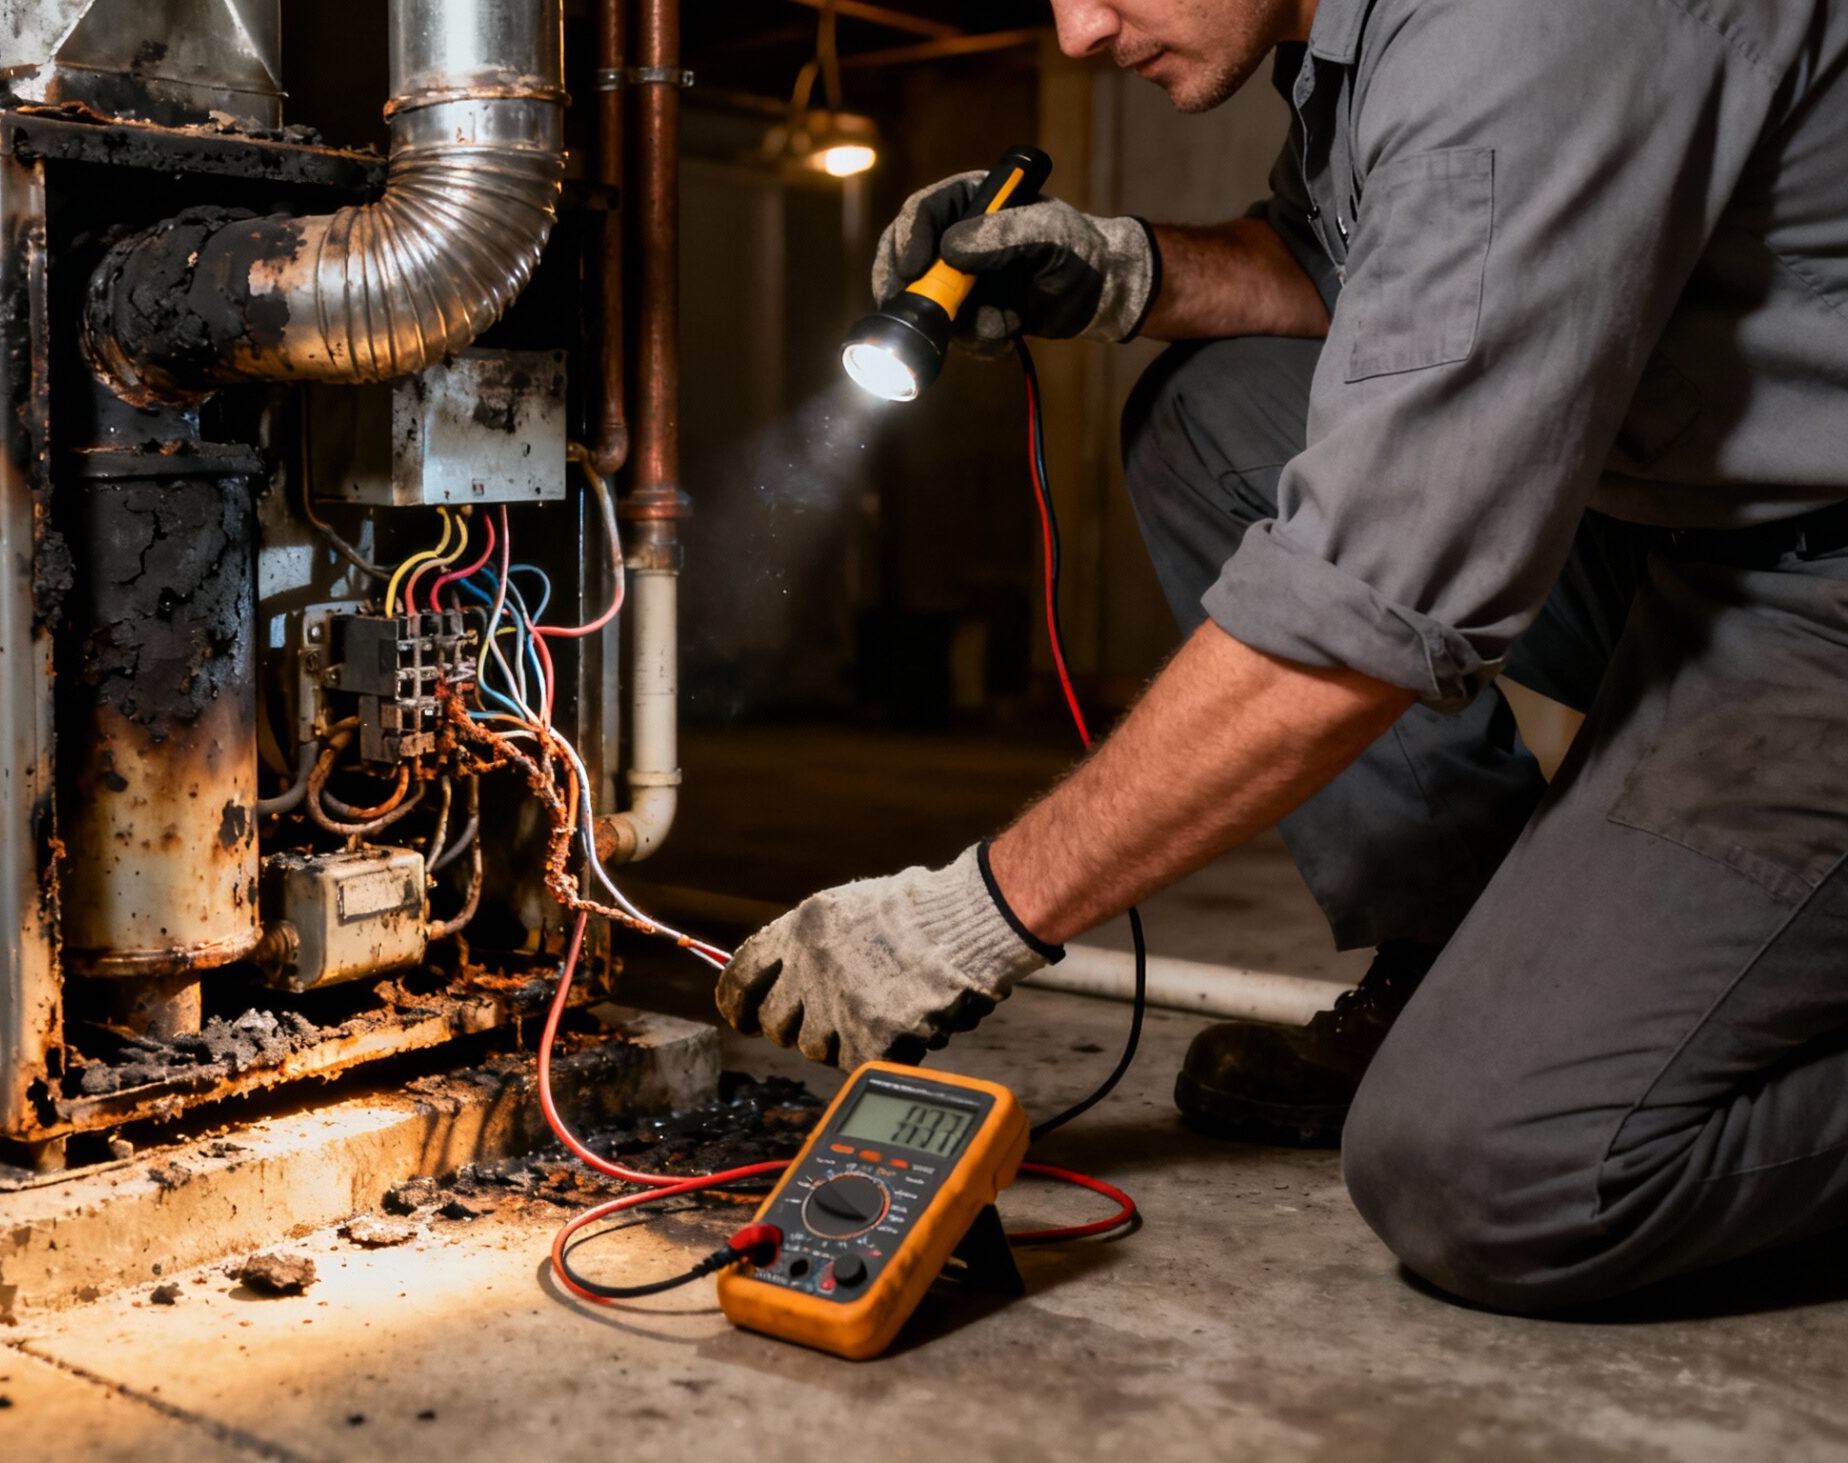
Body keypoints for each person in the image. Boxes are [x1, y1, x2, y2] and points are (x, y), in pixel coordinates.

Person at [717, 0, 1848, 1313]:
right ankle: (1450, 956)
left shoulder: (1524, 31)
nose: (1079, 31)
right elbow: (1362, 267)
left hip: (1818, 571)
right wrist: (1128, 268)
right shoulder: (1357, 40)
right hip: (1693, 512)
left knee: (1498, 1169)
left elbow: (1375, 592)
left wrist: (966, 919)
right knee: (1215, 411)